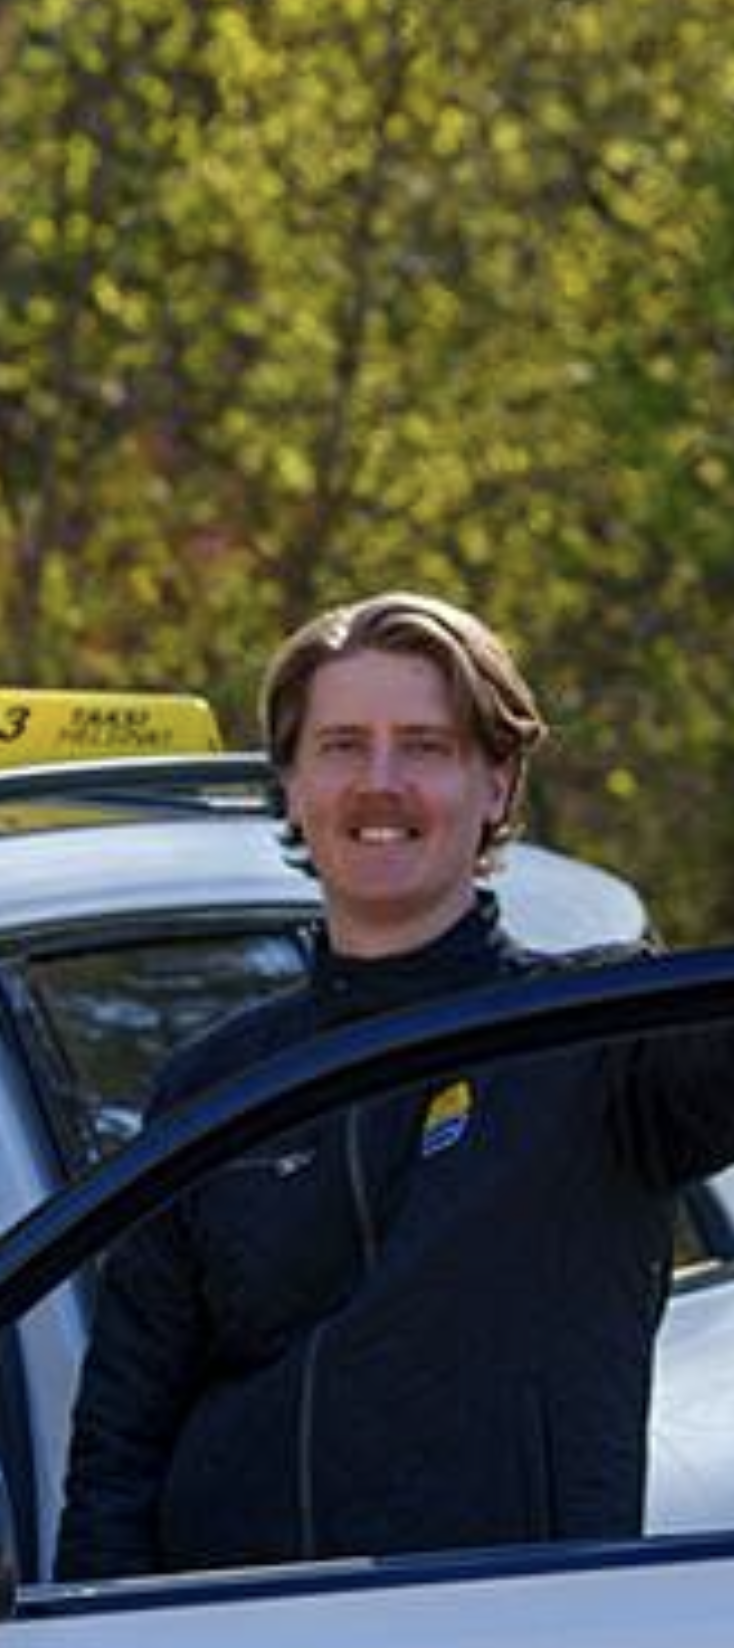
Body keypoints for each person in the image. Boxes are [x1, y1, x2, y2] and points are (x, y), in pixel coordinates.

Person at [54, 589, 734, 1580]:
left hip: (510, 1642)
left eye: (425, 746)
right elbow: (118, 1452)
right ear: (291, 785)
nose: (380, 783)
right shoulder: (210, 1086)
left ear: (496, 784)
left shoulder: (605, 1039)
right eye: (341, 747)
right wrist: (104, 1642)